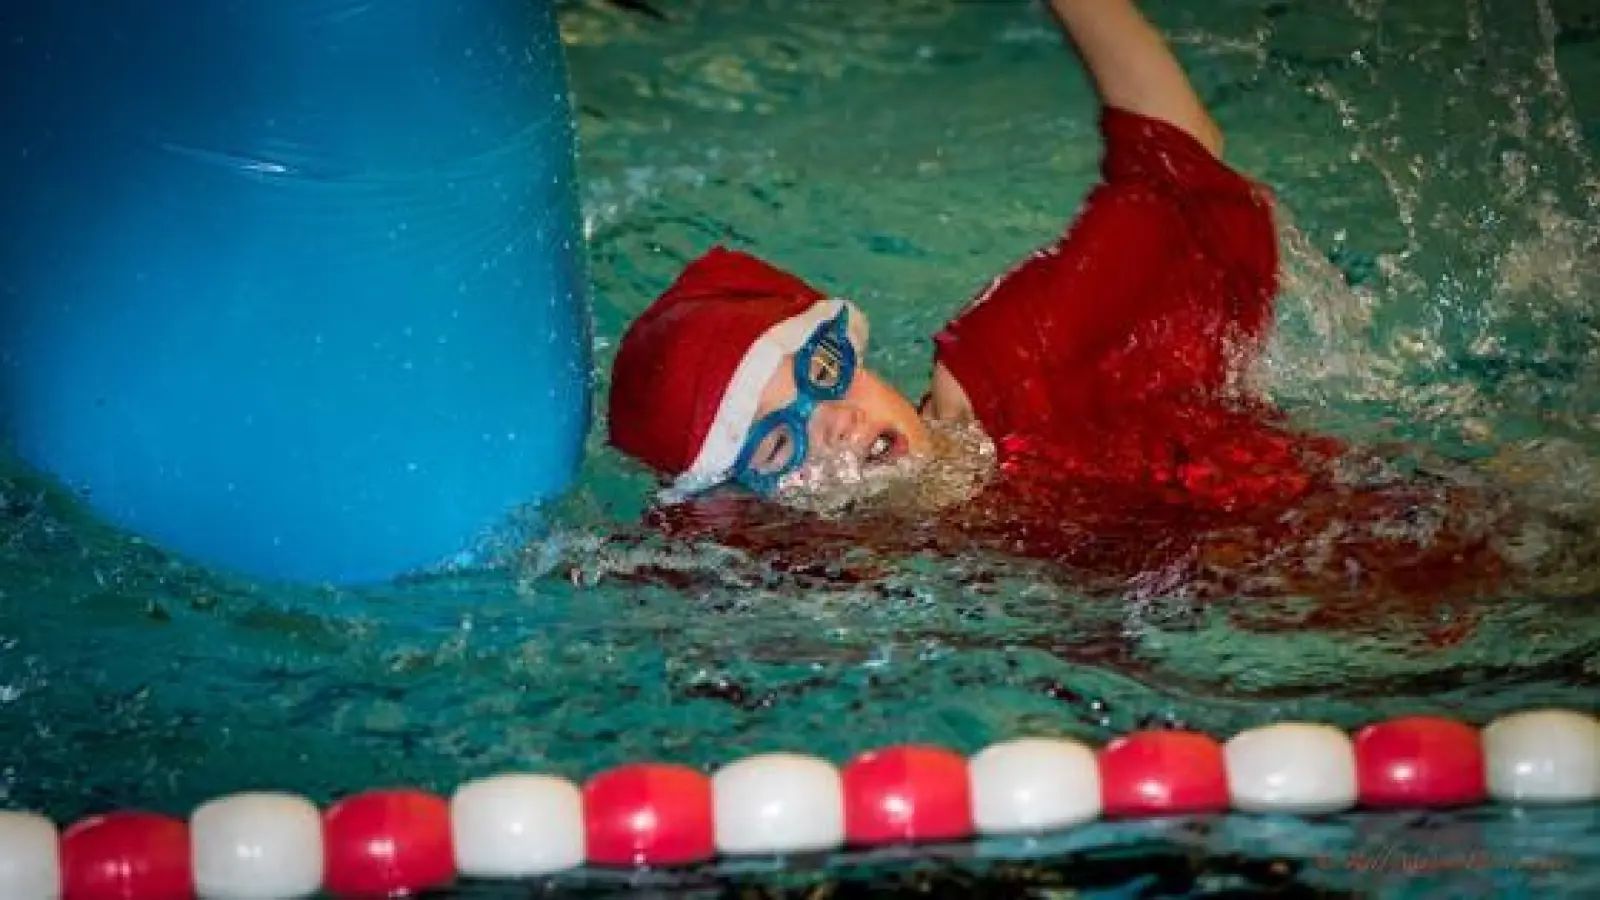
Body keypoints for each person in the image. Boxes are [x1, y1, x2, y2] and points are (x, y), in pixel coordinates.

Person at [604, 0, 1511, 634]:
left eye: (820, 374)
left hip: (1448, 541)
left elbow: (1174, 155)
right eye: (775, 443)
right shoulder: (821, 580)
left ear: (854, 352)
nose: (831, 420)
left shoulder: (1016, 368)